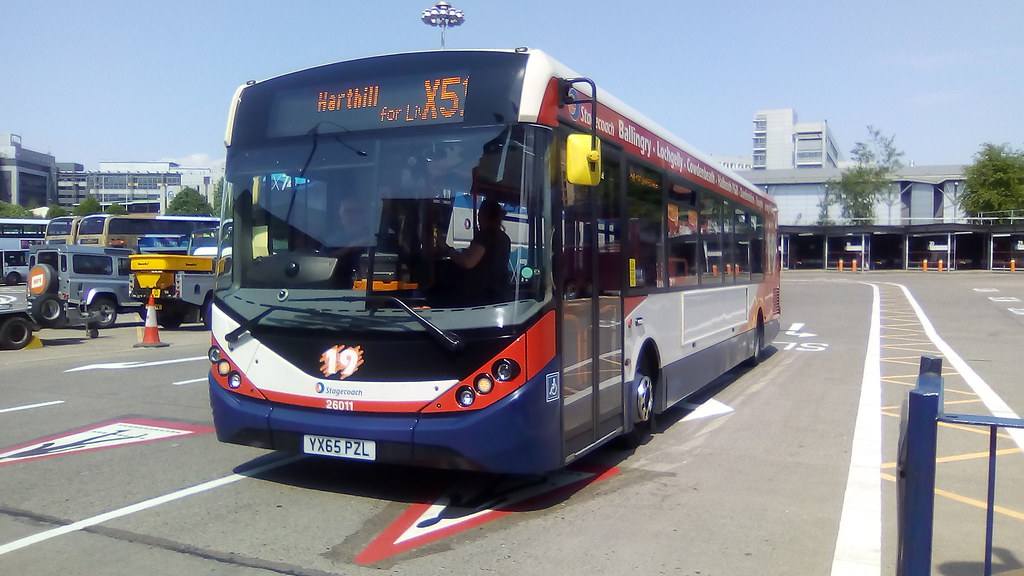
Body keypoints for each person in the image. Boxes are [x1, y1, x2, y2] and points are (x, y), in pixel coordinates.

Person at [439, 198, 511, 304]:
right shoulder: (504, 238)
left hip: (483, 296)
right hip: (500, 294)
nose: (478, 218)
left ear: (484, 216)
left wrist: (448, 250)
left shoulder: (486, 236)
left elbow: (468, 262)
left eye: (479, 214)